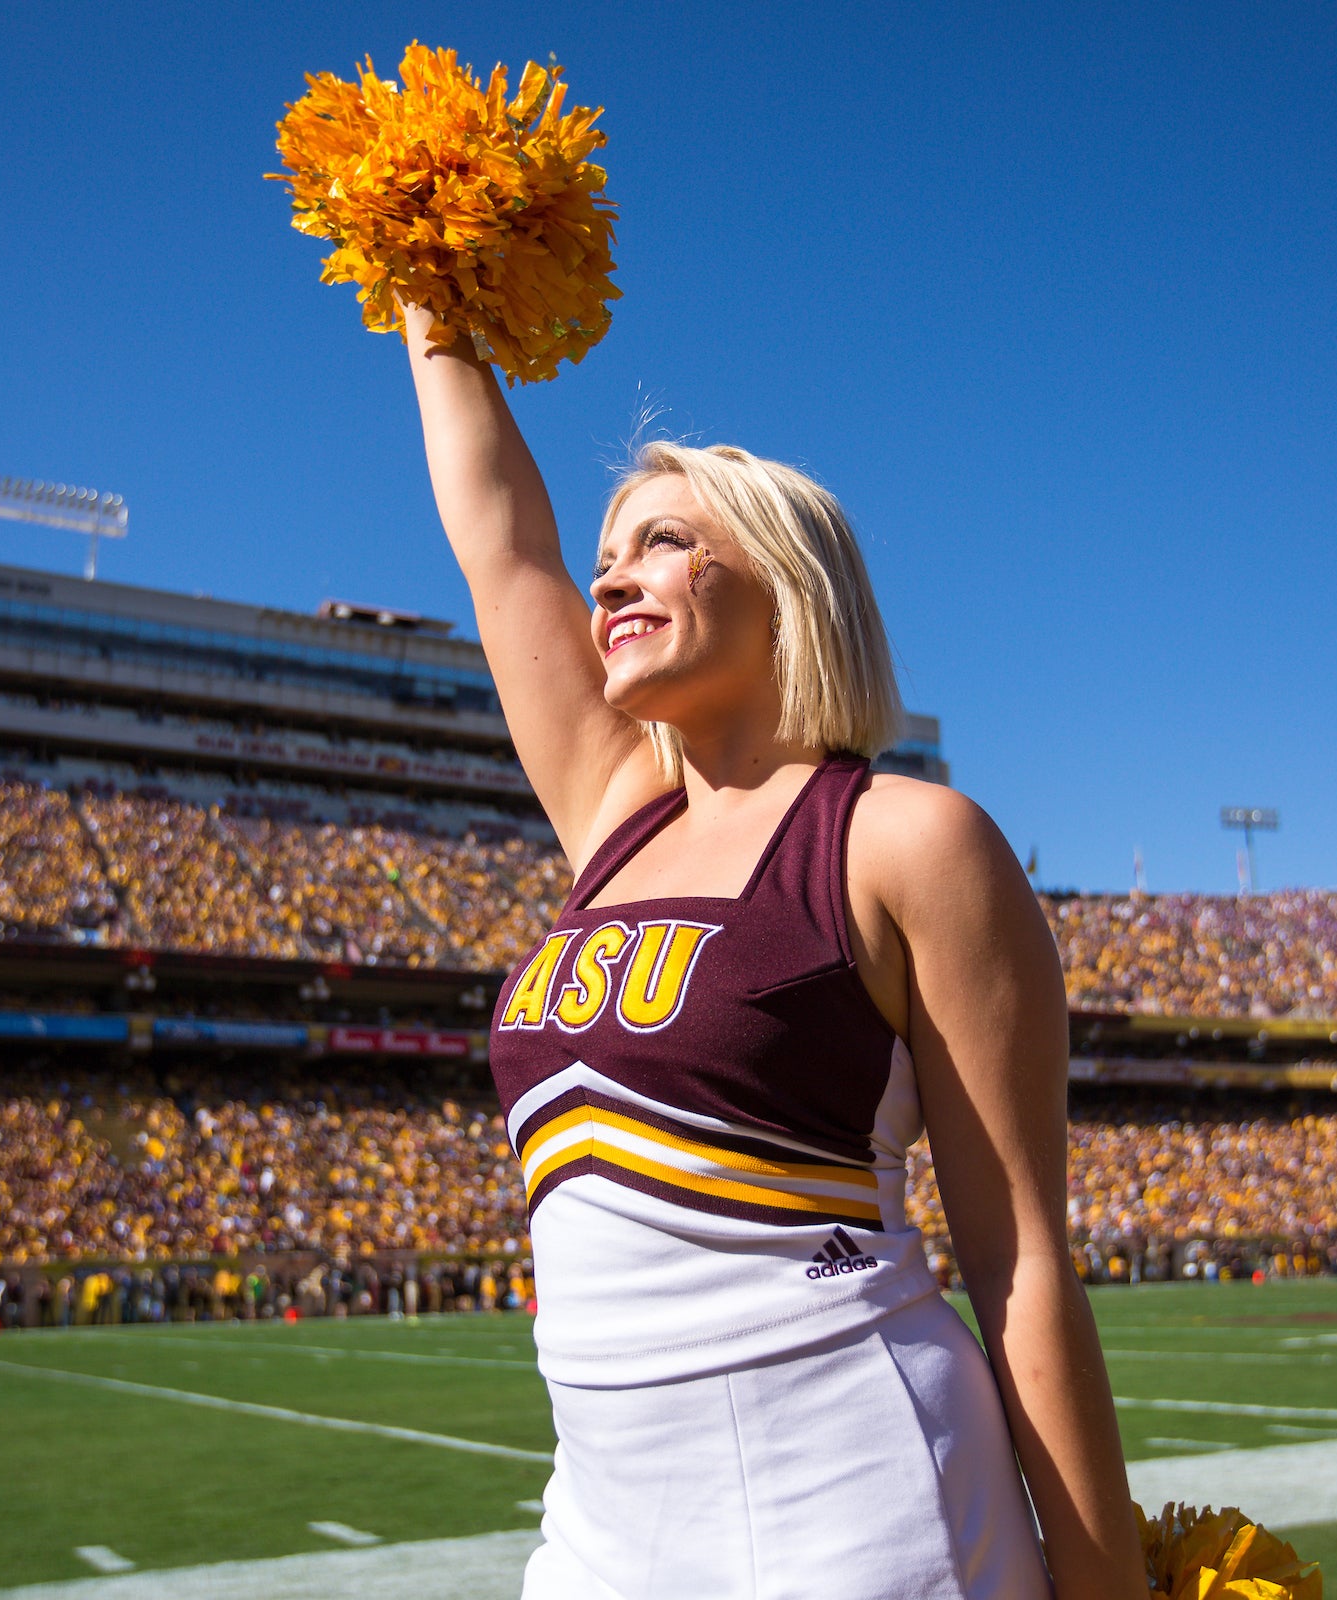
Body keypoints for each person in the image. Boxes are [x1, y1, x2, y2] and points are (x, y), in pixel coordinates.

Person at [400, 301, 1149, 1599]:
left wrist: (1105, 1590)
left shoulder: (907, 842)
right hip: (600, 1524)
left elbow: (1018, 1260)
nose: (611, 579)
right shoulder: (617, 824)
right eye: (608, 557)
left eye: (666, 543)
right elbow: (501, 544)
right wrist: (424, 280)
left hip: (850, 1500)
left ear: (787, 587)